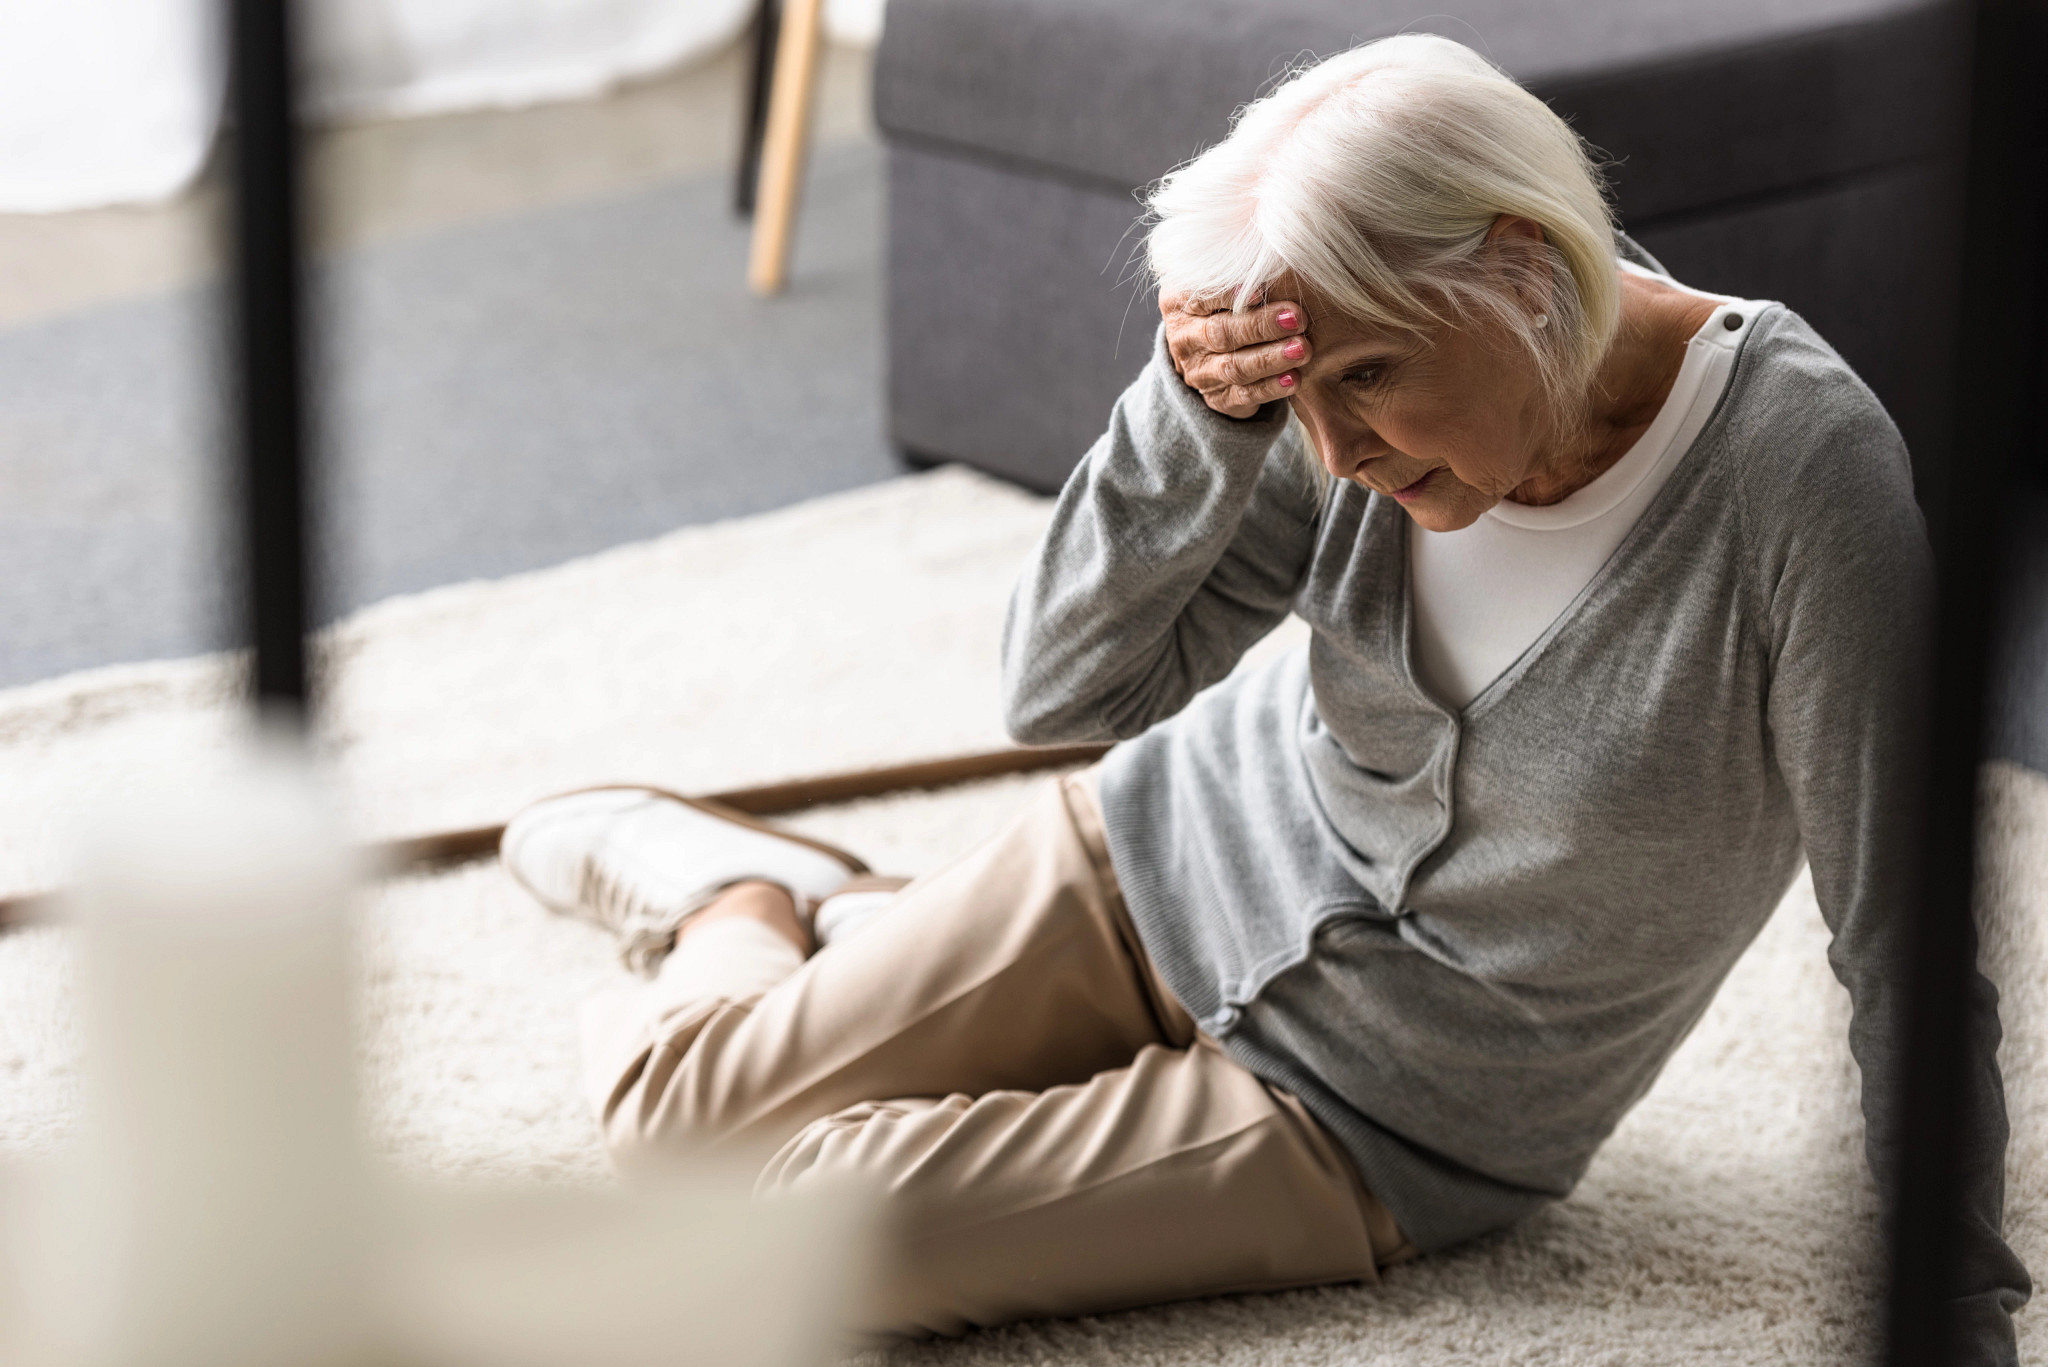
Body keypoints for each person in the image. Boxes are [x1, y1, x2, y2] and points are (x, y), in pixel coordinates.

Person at [500, 34, 2029, 1355]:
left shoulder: (1797, 477)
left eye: (1361, 377)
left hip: (1373, 1116)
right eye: (1299, 397)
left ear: (1520, 267)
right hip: (1156, 859)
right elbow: (1065, 686)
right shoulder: (1343, 415)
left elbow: (1899, 928)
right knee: (675, 1125)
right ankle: (749, 900)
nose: (1340, 453)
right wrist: (1198, 415)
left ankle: (861, 931)